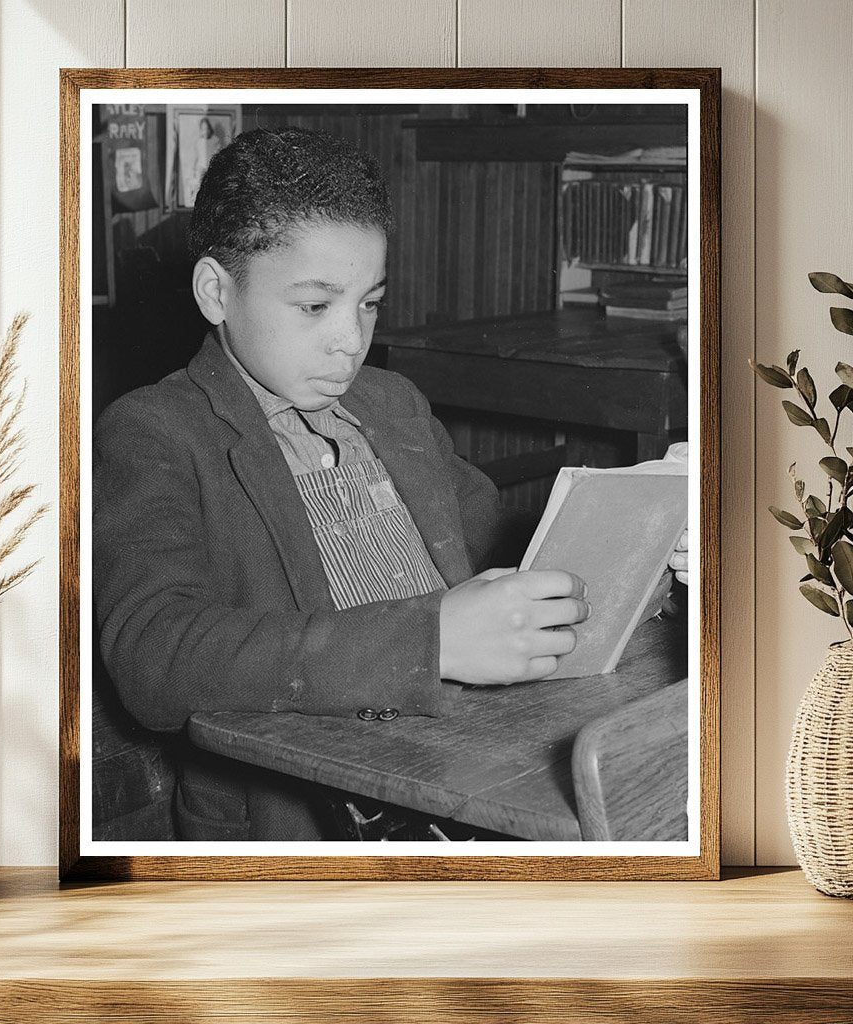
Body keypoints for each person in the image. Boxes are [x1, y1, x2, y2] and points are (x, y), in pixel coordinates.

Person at [93, 126, 670, 842]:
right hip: (316, 814)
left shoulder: (391, 404)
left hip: (460, 761)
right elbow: (157, 657)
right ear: (216, 291)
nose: (350, 340)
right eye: (314, 306)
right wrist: (432, 641)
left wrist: (637, 555)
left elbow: (500, 550)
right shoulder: (155, 432)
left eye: (369, 303)